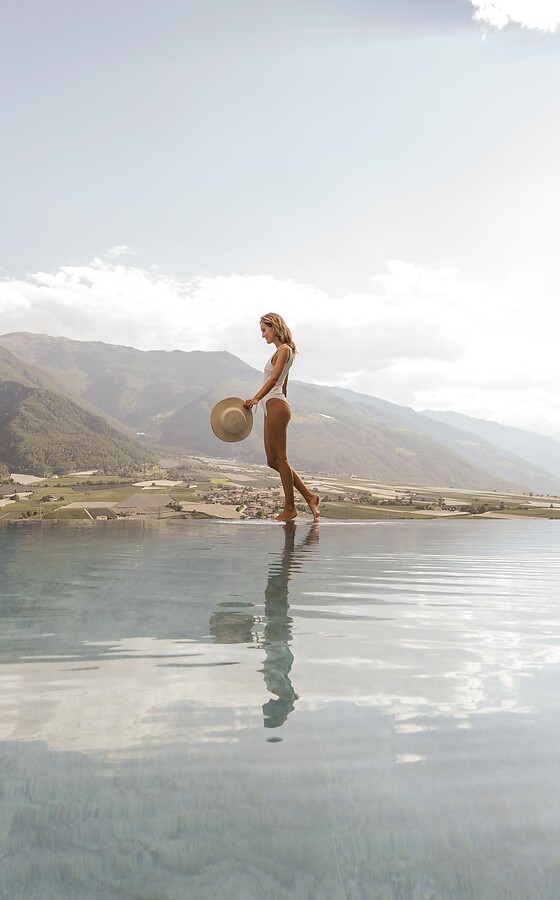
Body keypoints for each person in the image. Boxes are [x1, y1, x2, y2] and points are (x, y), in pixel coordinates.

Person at [244, 313, 320, 522]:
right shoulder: (282, 352)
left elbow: (275, 379)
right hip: (272, 406)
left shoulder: (285, 349)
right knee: (272, 460)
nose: (262, 335)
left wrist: (256, 398)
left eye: (264, 330)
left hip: (275, 404)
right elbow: (283, 384)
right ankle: (310, 497)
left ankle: (290, 508)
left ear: (274, 327)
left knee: (282, 459)